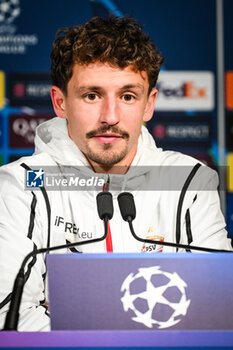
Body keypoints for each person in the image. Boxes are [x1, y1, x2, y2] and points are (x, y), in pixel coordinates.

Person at [0, 15, 231, 332]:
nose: (110, 116)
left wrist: (66, 318)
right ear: (60, 102)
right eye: (91, 95)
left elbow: (219, 312)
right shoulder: (18, 186)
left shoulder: (191, 182)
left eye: (127, 96)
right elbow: (8, 317)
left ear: (148, 105)